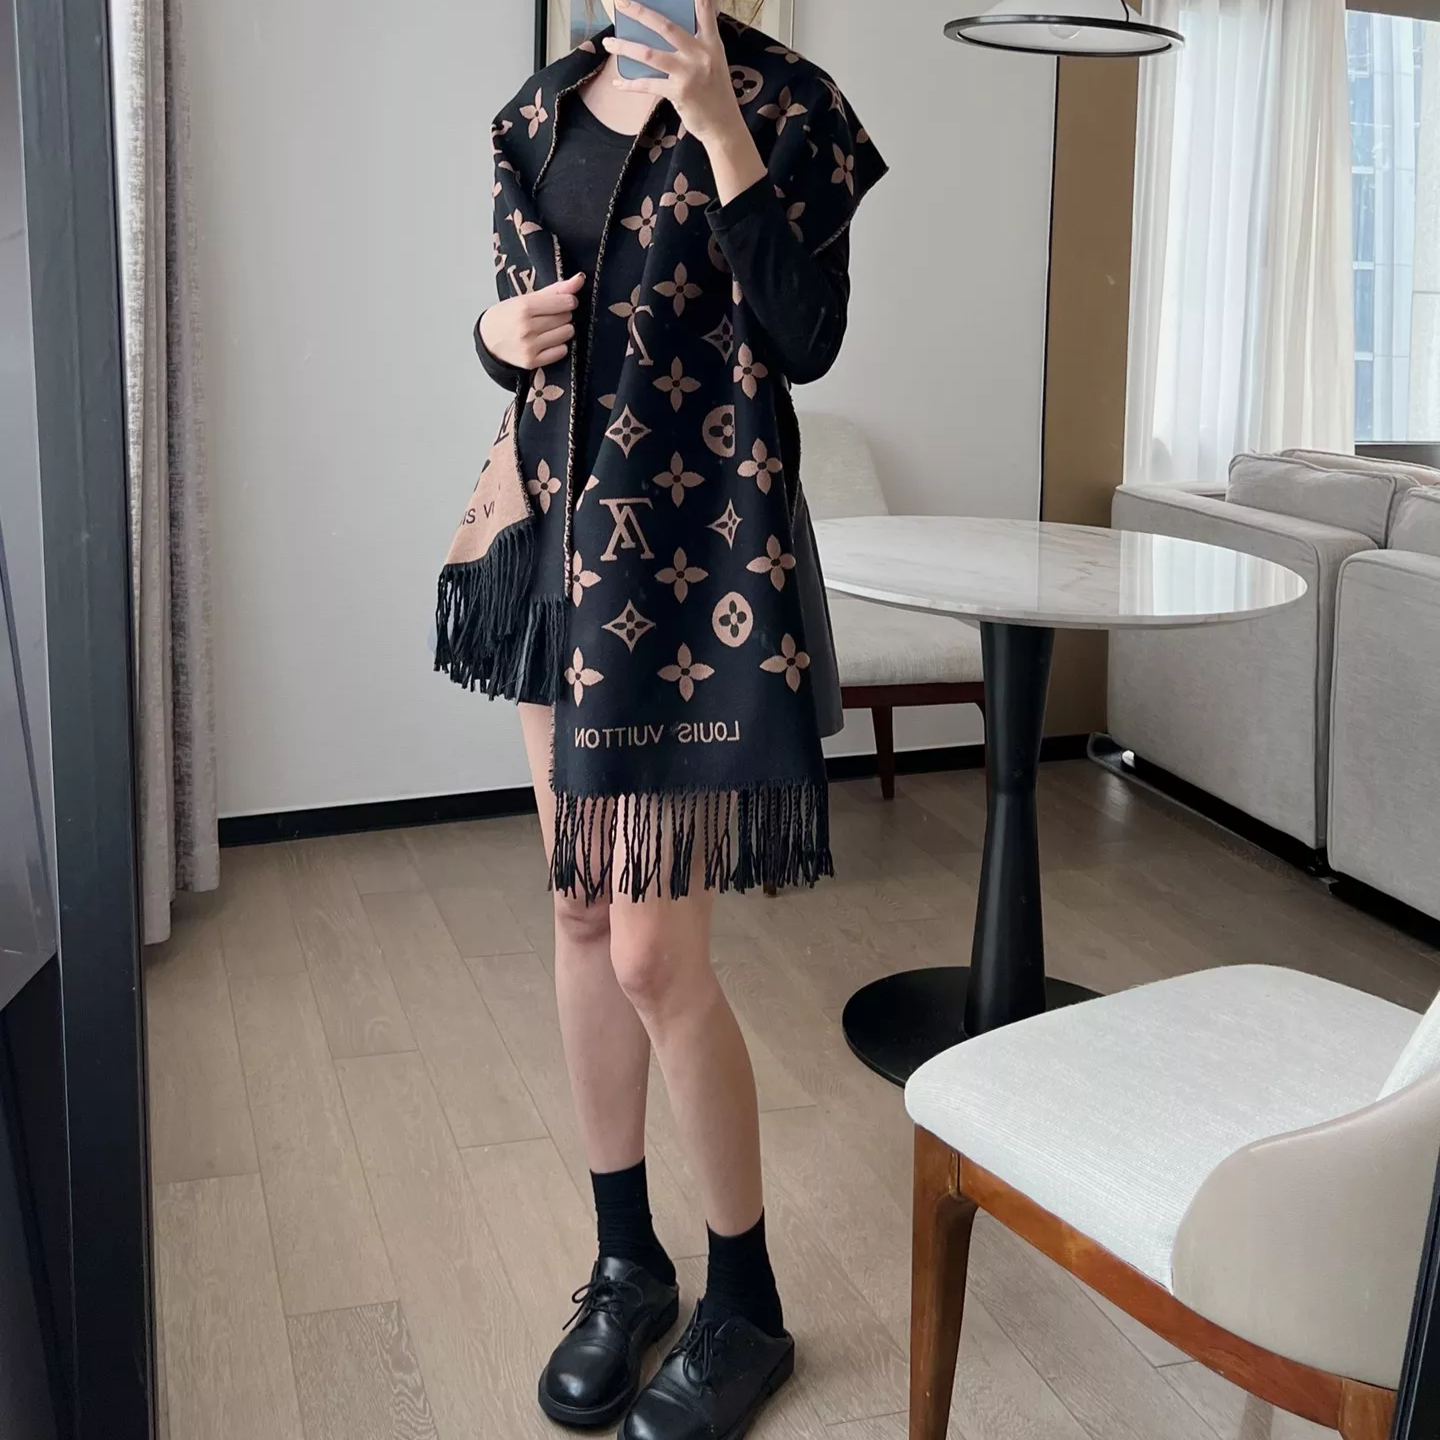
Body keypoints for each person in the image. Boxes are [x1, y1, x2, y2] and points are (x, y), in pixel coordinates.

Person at [437, 1, 884, 1434]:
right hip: (547, 552)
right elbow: (525, 327)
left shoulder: (795, 106)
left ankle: (746, 1303)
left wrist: (724, 126)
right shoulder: (540, 111)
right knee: (581, 916)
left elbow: (806, 337)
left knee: (652, 951)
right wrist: (491, 336)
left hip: (692, 574)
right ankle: (627, 1263)